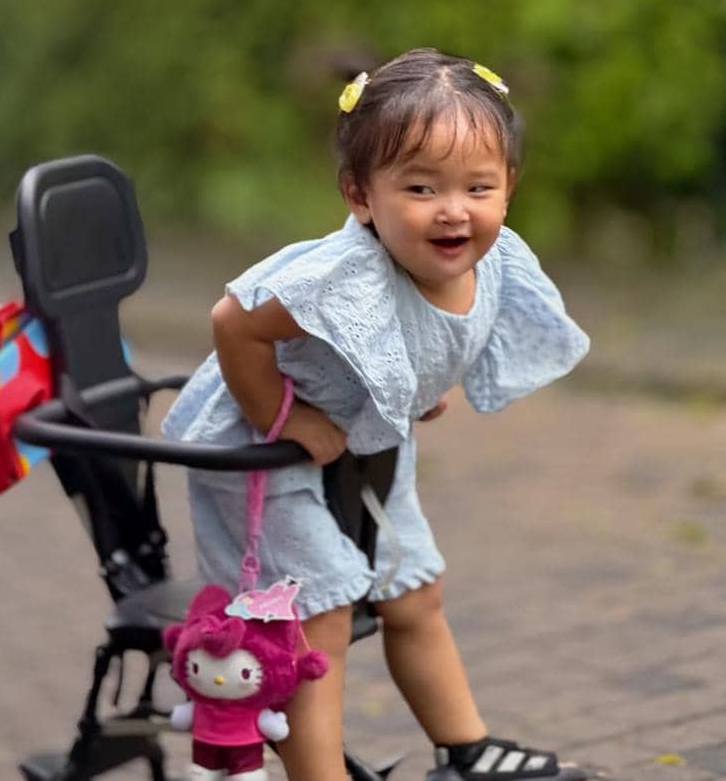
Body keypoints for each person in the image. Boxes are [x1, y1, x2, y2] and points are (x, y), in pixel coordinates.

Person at [163, 48, 590, 781]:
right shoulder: (340, 278)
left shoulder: (489, 263)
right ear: (360, 194)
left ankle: (466, 748)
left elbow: (433, 339)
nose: (454, 208)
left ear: (509, 188)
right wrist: (282, 418)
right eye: (421, 187)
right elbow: (233, 323)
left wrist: (418, 383)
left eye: (478, 186)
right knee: (317, 613)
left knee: (415, 589)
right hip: (261, 458)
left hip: (365, 447)